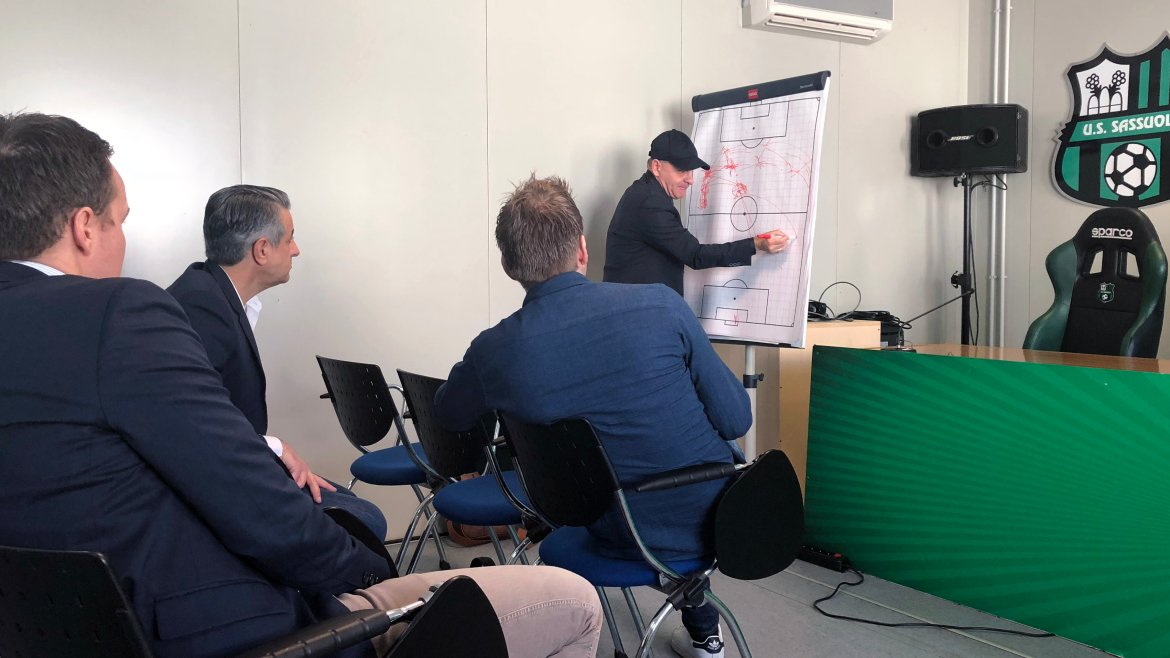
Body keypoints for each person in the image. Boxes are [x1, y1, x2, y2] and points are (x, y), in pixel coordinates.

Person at [0, 112, 601, 658]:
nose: (298, 249)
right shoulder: (121, 314)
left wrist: (267, 451)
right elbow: (251, 504)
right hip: (253, 631)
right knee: (571, 602)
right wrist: (369, 575)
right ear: (84, 227)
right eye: (119, 222)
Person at [435, 175, 751, 658]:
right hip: (715, 518)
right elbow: (735, 420)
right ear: (582, 248)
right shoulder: (662, 304)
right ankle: (704, 631)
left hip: (602, 527)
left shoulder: (494, 350)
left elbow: (449, 414)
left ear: (508, 265)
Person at [168, 184, 386, 540]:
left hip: (239, 465)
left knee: (356, 510)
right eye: (290, 239)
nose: (296, 250)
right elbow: (195, 427)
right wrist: (277, 448)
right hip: (222, 485)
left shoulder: (210, 293)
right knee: (364, 522)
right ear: (262, 250)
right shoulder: (202, 310)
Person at [603, 129, 790, 296]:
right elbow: (695, 255)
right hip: (637, 313)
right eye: (682, 170)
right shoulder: (650, 202)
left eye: (691, 171)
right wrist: (756, 244)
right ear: (657, 167)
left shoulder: (645, 192)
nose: (691, 180)